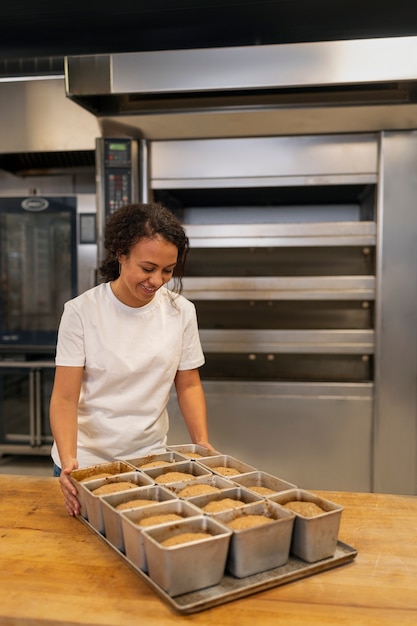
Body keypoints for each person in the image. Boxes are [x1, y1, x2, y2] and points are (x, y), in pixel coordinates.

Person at [50, 202, 213, 516]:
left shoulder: (181, 312)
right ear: (120, 254)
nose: (158, 280)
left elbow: (189, 384)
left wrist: (201, 443)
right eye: (148, 268)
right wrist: (69, 460)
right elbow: (65, 397)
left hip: (150, 464)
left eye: (168, 270)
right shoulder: (81, 312)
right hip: (85, 463)